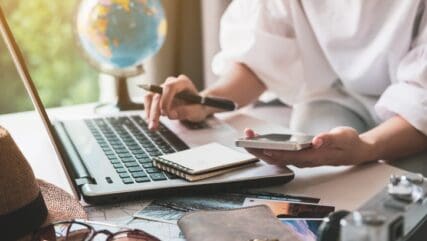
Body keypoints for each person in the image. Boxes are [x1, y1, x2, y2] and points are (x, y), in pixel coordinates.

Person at [144, 0, 427, 168]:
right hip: (338, 96)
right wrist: (205, 101)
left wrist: (367, 148)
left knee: (403, 185)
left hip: (416, 114)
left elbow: (421, 102)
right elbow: (260, 59)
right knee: (317, 165)